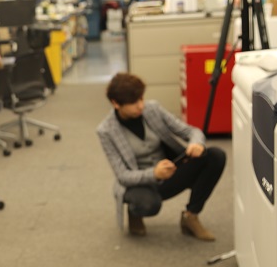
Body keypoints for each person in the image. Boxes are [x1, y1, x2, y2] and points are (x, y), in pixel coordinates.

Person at [96, 72, 226, 240]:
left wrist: (196, 143)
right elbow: (123, 175)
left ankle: (190, 216)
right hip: (138, 183)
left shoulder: (153, 109)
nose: (140, 105)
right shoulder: (106, 130)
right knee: (149, 205)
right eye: (134, 103)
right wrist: (154, 174)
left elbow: (190, 131)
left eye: (141, 99)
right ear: (116, 104)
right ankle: (135, 212)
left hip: (169, 171)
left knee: (215, 156)